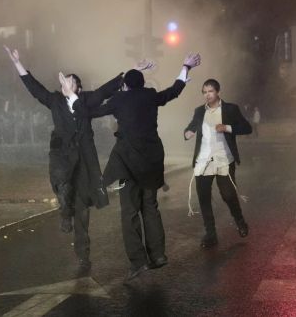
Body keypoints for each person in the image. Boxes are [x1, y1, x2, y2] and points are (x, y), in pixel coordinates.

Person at [70, 53, 201, 282]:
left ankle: (138, 262)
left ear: (126, 87)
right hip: (151, 161)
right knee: (150, 208)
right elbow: (173, 91)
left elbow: (91, 112)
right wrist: (185, 67)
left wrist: (72, 99)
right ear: (143, 84)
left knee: (129, 213)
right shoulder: (150, 96)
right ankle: (158, 255)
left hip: (127, 166)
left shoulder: (119, 100)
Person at [5, 46, 125, 237]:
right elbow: (35, 88)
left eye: (71, 82)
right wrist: (17, 63)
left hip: (84, 157)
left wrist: (130, 74)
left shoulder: (85, 100)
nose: (66, 84)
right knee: (61, 183)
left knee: (83, 204)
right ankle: (65, 213)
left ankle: (83, 251)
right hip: (61, 154)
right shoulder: (54, 100)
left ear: (79, 88)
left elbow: (104, 91)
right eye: (65, 81)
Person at [183, 79, 252, 248]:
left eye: (210, 91)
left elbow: (247, 128)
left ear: (218, 92)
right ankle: (210, 234)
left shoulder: (230, 109)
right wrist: (187, 132)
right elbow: (191, 127)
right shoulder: (199, 111)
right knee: (204, 198)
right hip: (204, 159)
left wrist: (227, 128)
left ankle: (240, 221)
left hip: (223, 158)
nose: (207, 95)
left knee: (228, 194)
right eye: (204, 92)